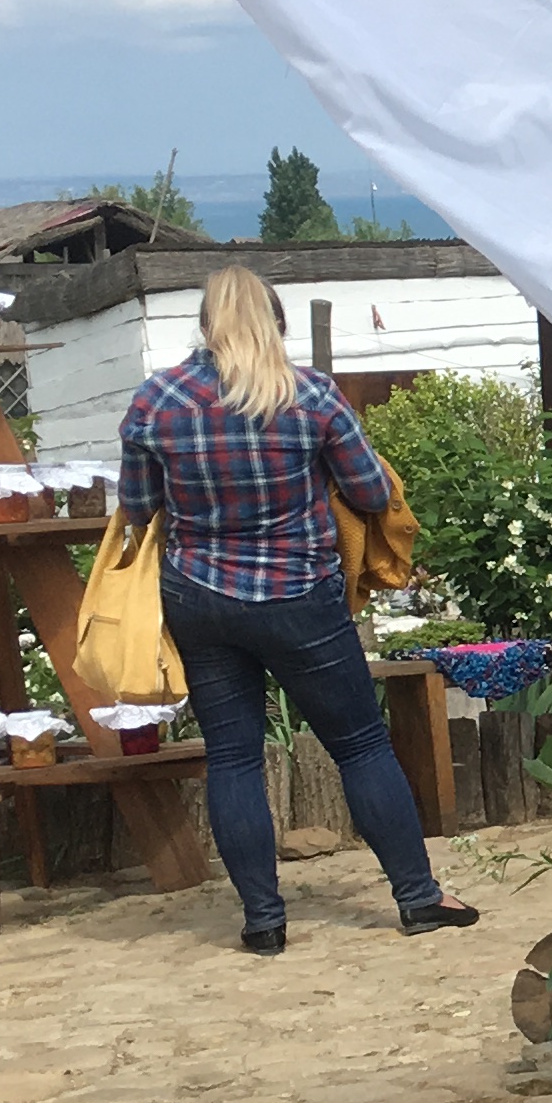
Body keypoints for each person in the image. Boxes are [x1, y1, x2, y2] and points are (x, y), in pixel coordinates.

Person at [117, 264, 479, 955]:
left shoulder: (156, 399)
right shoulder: (311, 394)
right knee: (361, 744)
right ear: (277, 323)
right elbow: (370, 493)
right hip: (299, 593)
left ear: (205, 325)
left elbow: (137, 508)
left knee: (233, 757)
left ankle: (262, 920)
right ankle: (418, 897)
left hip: (199, 595)